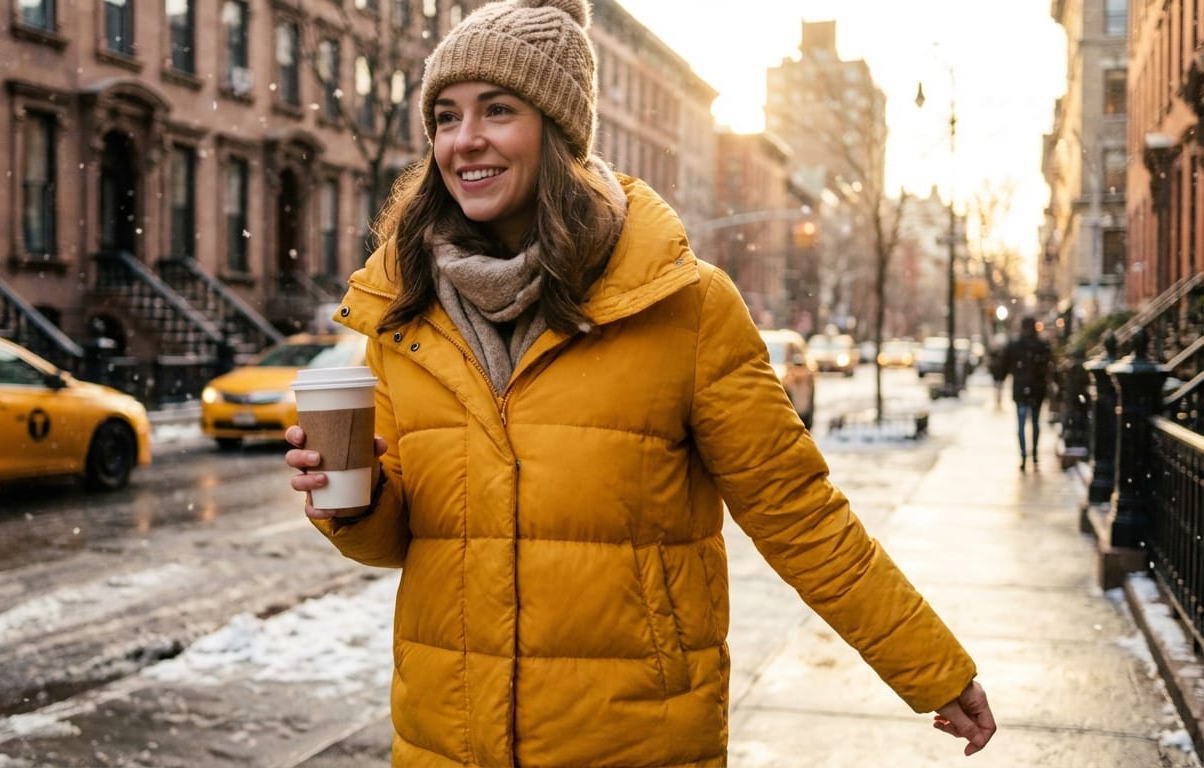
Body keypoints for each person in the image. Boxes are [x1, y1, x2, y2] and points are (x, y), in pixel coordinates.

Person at [285, 1, 996, 764]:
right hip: (446, 744)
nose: (466, 141)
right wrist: (350, 502)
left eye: (499, 110)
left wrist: (930, 667)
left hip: (632, 742)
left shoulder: (686, 307)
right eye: (447, 117)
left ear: (558, 131)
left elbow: (800, 515)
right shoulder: (404, 311)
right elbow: (406, 543)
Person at [1005, 315, 1053, 472]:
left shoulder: (1015, 345)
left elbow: (1006, 365)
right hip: (1037, 390)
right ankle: (1035, 453)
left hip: (1021, 390)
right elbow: (1048, 367)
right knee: (1035, 422)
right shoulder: (1042, 345)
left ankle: (1024, 455)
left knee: (1021, 424)